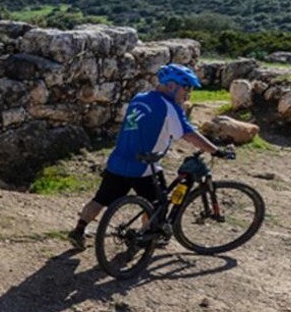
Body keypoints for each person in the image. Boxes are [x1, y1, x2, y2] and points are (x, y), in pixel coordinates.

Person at [67, 63, 234, 250]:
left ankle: (79, 230)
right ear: (172, 86)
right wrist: (215, 150)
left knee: (100, 200)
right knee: (157, 204)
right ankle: (145, 237)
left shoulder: (139, 98)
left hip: (118, 160)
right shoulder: (170, 107)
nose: (188, 93)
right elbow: (188, 134)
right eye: (186, 88)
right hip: (144, 167)